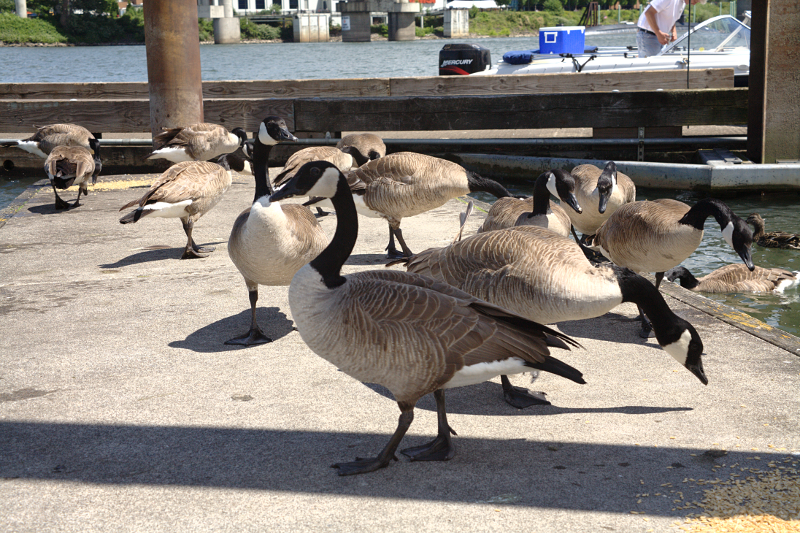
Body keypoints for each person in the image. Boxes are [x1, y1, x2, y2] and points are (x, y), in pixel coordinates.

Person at [636, 0, 705, 58]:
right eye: (695, 0)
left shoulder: (682, 3)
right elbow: (648, 12)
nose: (694, 4)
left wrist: (674, 32)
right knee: (650, 68)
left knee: (658, 68)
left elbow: (671, 19)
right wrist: (658, 33)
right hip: (648, 36)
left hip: (660, 37)